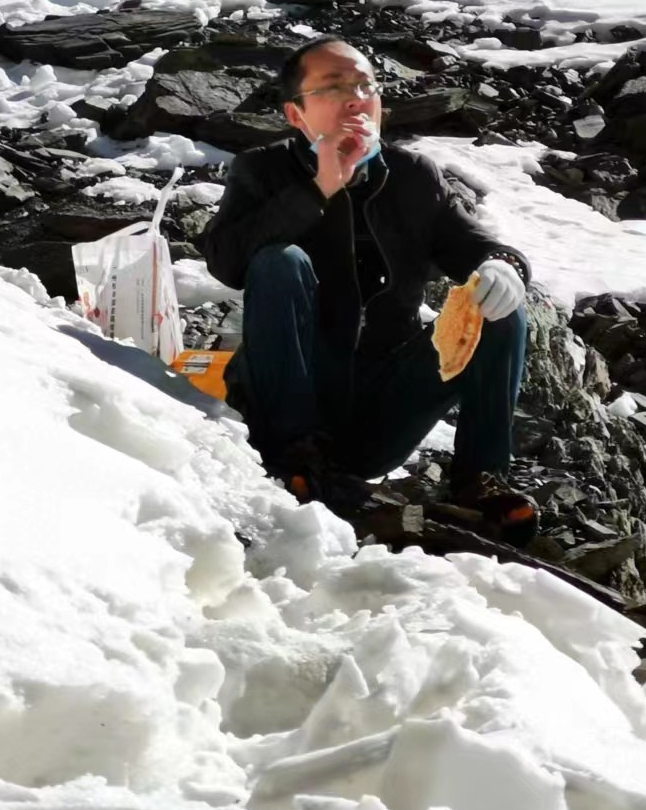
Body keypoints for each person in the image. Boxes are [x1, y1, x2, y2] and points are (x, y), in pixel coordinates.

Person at [200, 36, 536, 526]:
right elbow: (226, 261)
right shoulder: (264, 168)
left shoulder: (414, 175)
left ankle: (479, 481)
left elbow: (477, 245)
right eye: (334, 88)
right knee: (280, 261)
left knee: (498, 304)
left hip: (381, 408)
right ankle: (299, 453)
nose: (357, 99)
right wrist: (319, 188)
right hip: (286, 407)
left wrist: (504, 264)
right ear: (297, 114)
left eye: (365, 85)